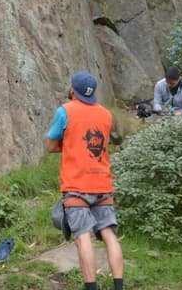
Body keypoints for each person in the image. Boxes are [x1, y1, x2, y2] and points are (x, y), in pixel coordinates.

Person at [47, 71, 124, 290]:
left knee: (82, 236)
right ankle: (119, 285)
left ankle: (91, 287)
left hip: (77, 185)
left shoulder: (65, 111)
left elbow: (51, 146)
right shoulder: (106, 115)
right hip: (102, 183)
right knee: (109, 234)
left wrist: (71, 144)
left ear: (73, 89)